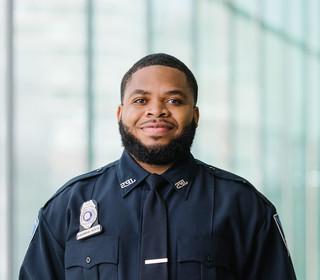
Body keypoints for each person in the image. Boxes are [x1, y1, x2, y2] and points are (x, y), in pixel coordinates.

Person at [19, 53, 296, 279]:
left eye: (174, 100)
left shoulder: (243, 206)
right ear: (120, 113)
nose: (156, 111)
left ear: (195, 115)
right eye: (141, 100)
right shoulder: (68, 206)